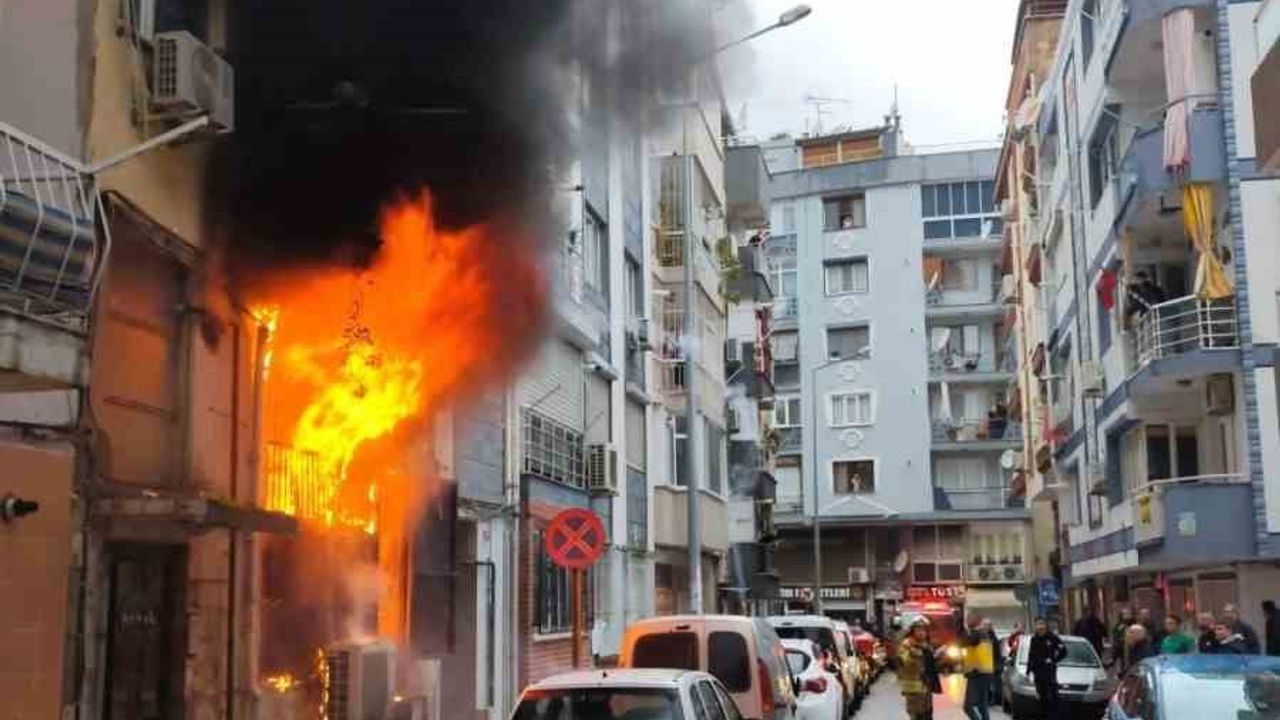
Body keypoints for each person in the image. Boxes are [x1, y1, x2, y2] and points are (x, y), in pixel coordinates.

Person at [1027, 618, 1067, 720]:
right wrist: (1029, 670)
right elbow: (1031, 655)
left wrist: (1054, 660)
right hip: (1038, 673)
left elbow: (1063, 650)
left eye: (1042, 625)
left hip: (1049, 672)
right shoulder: (1034, 639)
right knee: (1041, 697)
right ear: (1035, 627)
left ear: (1045, 626)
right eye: (1038, 625)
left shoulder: (1052, 637)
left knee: (1053, 697)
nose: (1040, 628)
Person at [897, 620, 937, 720]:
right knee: (917, 715)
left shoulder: (927, 645)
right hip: (913, 688)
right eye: (918, 629)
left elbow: (930, 663)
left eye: (923, 630)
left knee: (927, 714)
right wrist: (913, 654)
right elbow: (903, 661)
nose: (921, 632)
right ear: (913, 631)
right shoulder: (907, 644)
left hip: (926, 686)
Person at [961, 615, 995, 720]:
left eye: (968, 620)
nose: (966, 622)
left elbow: (963, 642)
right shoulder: (984, 635)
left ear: (976, 621)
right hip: (984, 674)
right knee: (982, 707)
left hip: (977, 674)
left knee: (968, 706)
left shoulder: (977, 634)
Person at [981, 619, 1003, 705]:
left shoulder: (991, 637)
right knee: (988, 683)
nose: (984, 627)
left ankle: (994, 699)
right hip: (986, 664)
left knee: (992, 683)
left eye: (986, 625)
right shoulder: (983, 636)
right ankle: (990, 699)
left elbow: (995, 652)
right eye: (984, 625)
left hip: (992, 663)